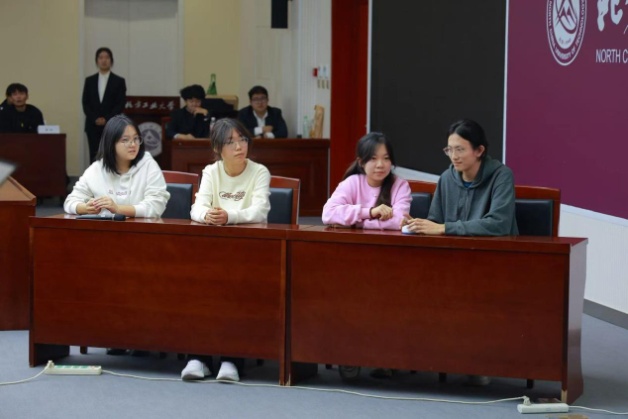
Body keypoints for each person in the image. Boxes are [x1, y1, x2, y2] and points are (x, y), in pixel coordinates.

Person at [183, 118, 271, 382]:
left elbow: (260, 211)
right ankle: (199, 358)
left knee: (234, 288)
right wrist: (207, 215)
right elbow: (196, 208)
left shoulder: (259, 172)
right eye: (231, 142)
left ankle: (231, 359)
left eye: (242, 139)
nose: (239, 147)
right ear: (217, 148)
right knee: (197, 287)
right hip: (213, 251)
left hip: (248, 252)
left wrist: (228, 216)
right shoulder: (211, 171)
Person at [403, 118, 518, 236]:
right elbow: (436, 224)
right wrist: (416, 225)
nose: (454, 156)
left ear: (479, 150)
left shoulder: (501, 176)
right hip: (452, 247)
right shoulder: (446, 178)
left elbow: (499, 224)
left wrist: (446, 228)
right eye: (449, 150)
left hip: (492, 247)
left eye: (459, 150)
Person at [64, 114, 170, 219]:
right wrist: (86, 208)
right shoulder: (96, 169)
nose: (133, 144)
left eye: (136, 138)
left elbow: (155, 207)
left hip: (141, 228)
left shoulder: (148, 165)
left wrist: (117, 209)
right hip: (105, 229)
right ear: (111, 143)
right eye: (125, 140)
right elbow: (70, 202)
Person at [322, 132, 411, 230]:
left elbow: (399, 221)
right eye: (373, 158)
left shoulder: (400, 185)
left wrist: (354, 224)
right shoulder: (352, 183)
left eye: (386, 158)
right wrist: (370, 212)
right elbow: (328, 214)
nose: (380, 165)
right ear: (361, 162)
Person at [82, 47, 127, 163]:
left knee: (110, 157)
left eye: (107, 57)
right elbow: (85, 103)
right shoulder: (89, 80)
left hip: (111, 126)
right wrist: (95, 118)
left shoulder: (119, 81)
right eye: (101, 57)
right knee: (94, 157)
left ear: (111, 60)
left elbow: (120, 104)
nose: (104, 60)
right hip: (93, 125)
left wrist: (107, 119)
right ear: (96, 61)